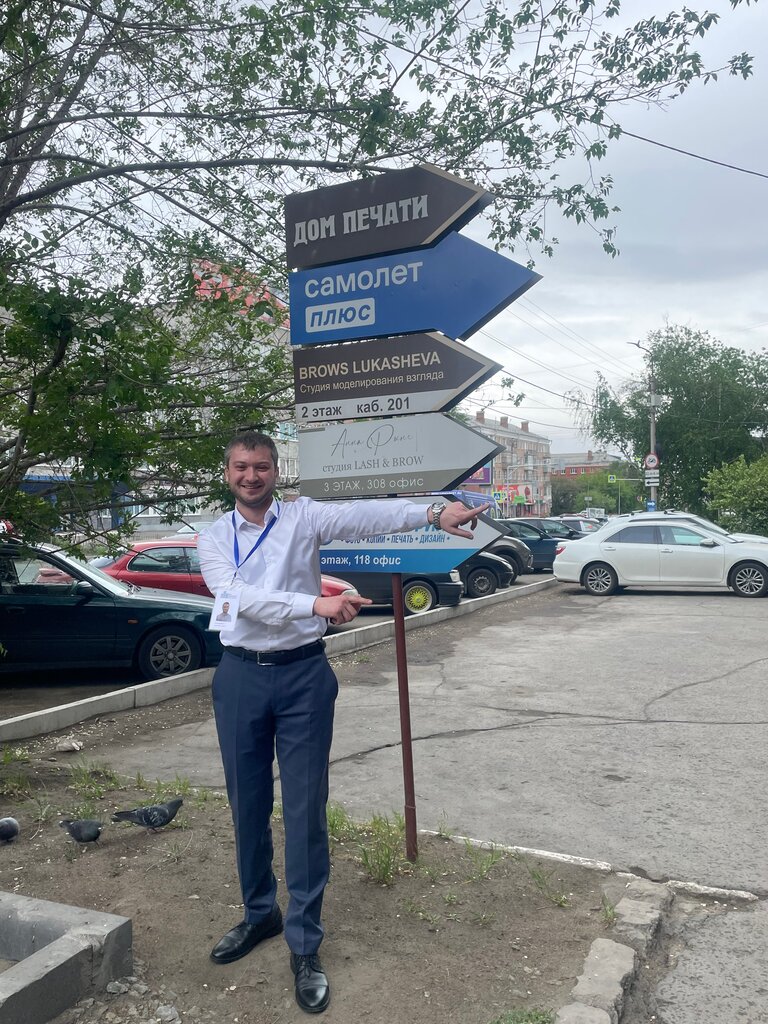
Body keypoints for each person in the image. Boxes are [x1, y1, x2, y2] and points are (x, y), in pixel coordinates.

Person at [198, 430, 488, 1014]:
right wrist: (316, 604)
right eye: (241, 467)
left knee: (305, 810)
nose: (251, 476)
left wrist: (434, 512)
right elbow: (234, 597)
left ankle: (305, 945)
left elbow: (366, 515)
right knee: (246, 803)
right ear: (227, 473)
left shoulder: (303, 518)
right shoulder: (213, 537)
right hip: (240, 677)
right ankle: (260, 914)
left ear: (276, 471)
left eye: (261, 466)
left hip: (303, 675)